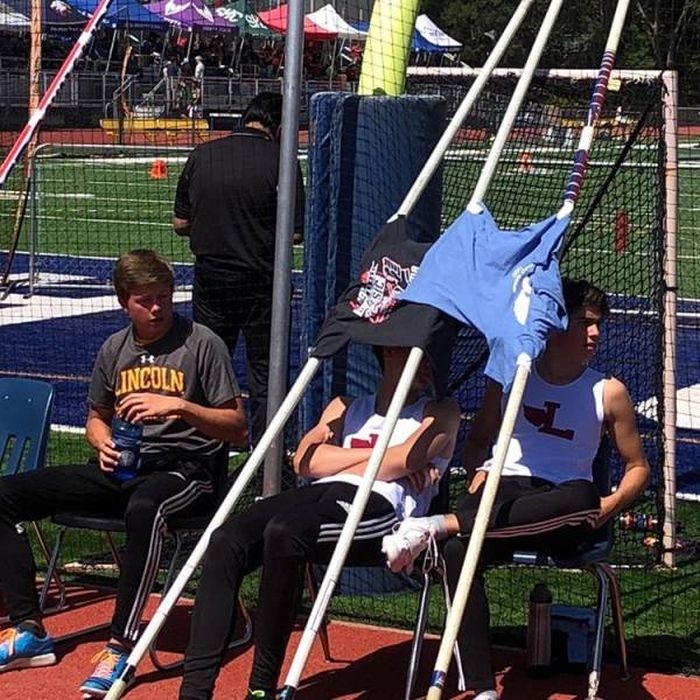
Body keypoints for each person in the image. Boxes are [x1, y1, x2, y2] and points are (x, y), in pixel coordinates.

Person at [382, 279, 650, 700]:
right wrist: (477, 469)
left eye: (599, 324)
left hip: (562, 505)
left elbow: (638, 467)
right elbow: (476, 443)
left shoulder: (608, 391)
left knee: (583, 496)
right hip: (503, 493)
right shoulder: (512, 376)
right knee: (456, 551)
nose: (595, 333)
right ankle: (483, 691)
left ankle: (436, 524)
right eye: (585, 323)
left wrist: (610, 504)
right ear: (557, 323)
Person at [0, 249, 248, 697]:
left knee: (144, 508)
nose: (157, 308)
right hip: (125, 467)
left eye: (164, 297)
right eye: (145, 300)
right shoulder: (115, 348)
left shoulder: (201, 343)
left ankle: (121, 645)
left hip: (186, 470)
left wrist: (180, 406)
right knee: (5, 494)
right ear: (123, 302)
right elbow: (96, 417)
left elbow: (237, 427)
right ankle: (28, 629)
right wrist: (101, 442)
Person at [177, 345, 461, 700]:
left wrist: (342, 457)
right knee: (226, 538)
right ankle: (194, 691)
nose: (430, 367)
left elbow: (404, 458)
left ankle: (260, 689)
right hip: (321, 495)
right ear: (390, 351)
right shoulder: (345, 406)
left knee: (285, 532)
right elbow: (304, 462)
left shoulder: (440, 411)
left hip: (381, 511)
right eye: (421, 357)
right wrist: (383, 461)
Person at [172, 91, 305, 447]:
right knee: (267, 372)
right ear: (278, 127)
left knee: (207, 367)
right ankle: (268, 454)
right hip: (262, 281)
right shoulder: (281, 162)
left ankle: (202, 448)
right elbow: (295, 232)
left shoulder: (202, 155)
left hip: (212, 279)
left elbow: (180, 223)